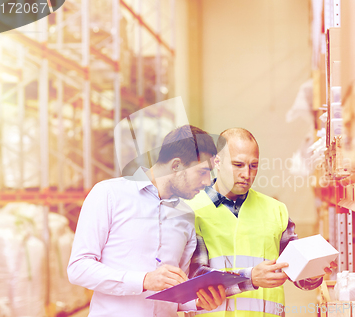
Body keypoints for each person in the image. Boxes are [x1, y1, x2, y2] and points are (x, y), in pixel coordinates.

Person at [68, 125, 226, 317]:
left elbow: (175, 294)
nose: (208, 181)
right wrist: (144, 280)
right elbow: (78, 268)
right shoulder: (108, 194)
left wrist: (198, 302)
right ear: (176, 165)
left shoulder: (185, 216)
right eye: (203, 172)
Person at [186, 128, 336, 316]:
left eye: (253, 165)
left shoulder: (276, 211)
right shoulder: (192, 211)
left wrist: (313, 271)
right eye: (238, 164)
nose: (246, 174)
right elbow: (195, 277)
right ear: (217, 161)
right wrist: (251, 278)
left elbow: (297, 274)